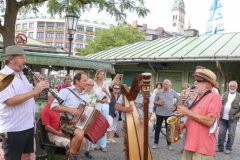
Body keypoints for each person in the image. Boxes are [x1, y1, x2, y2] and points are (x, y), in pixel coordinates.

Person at [0, 45, 49, 160]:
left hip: (27, 125)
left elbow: (32, 98)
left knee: (26, 156)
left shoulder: (22, 76)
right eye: (22, 57)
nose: (25, 61)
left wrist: (38, 88)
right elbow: (10, 101)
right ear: (11, 59)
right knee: (13, 157)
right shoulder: (2, 76)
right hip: (14, 128)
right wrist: (33, 91)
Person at [175, 67, 222, 160]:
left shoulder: (215, 97)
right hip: (189, 145)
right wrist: (183, 125)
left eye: (198, 80)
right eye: (195, 80)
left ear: (208, 85)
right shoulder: (196, 97)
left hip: (202, 148)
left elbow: (210, 121)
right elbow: (194, 118)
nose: (195, 83)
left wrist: (187, 112)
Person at [51, 71, 89, 160]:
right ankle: (72, 158)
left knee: (81, 141)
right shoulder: (65, 91)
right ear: (77, 81)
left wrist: (84, 115)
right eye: (84, 80)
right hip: (65, 122)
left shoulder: (85, 96)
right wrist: (70, 110)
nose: (86, 83)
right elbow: (54, 107)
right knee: (80, 134)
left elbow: (85, 111)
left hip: (79, 123)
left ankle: (69, 157)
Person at [152, 79, 179, 151]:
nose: (165, 85)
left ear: (170, 85)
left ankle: (169, 144)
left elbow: (179, 99)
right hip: (159, 113)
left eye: (166, 84)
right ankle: (155, 143)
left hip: (169, 113)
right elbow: (154, 102)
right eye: (164, 84)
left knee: (169, 129)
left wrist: (175, 107)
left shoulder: (173, 92)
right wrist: (158, 103)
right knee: (157, 128)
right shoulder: (158, 92)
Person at [217, 80, 240, 154]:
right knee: (221, 133)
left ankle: (228, 148)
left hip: (233, 119)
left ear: (236, 87)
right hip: (223, 118)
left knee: (231, 134)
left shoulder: (239, 96)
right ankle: (220, 147)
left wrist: (237, 115)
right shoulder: (224, 94)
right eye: (231, 86)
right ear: (228, 86)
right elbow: (219, 104)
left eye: (234, 86)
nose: (232, 87)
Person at [93, 69, 111, 152]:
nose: (102, 76)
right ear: (97, 75)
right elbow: (90, 97)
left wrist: (106, 91)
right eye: (101, 74)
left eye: (103, 74)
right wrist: (99, 101)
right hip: (96, 106)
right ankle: (93, 143)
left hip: (105, 107)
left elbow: (110, 98)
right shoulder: (93, 84)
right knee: (95, 125)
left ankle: (103, 145)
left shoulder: (106, 84)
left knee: (103, 125)